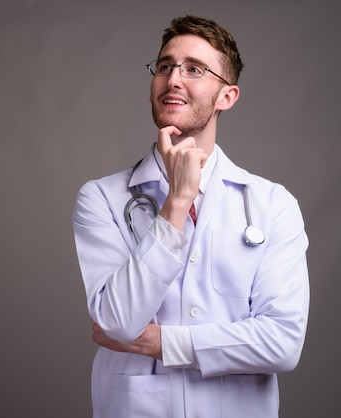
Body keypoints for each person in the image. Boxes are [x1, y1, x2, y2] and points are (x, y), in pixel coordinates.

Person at [72, 15, 309, 418]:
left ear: (226, 97)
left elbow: (283, 343)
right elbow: (116, 322)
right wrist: (177, 202)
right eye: (165, 66)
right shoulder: (102, 198)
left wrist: (159, 342)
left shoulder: (273, 204)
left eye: (194, 69)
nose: (173, 79)